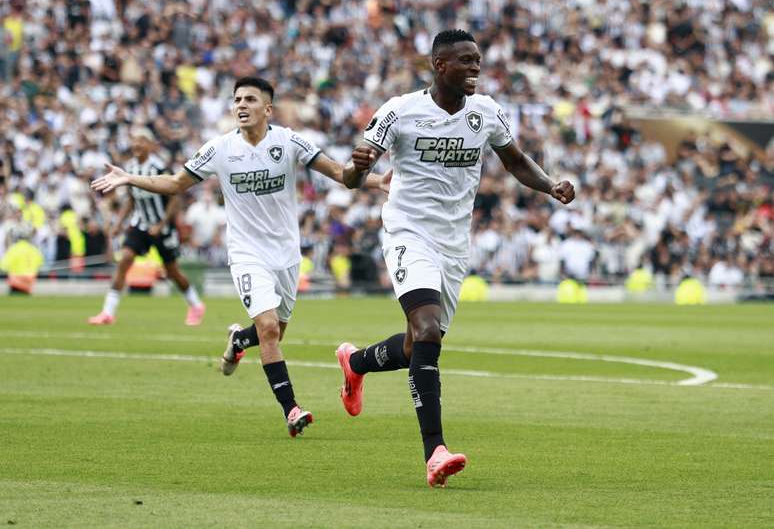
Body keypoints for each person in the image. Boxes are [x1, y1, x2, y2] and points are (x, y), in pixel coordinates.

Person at [337, 29, 576, 487]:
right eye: (466, 60)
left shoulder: (485, 112)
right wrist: (359, 167)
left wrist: (550, 185)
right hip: (408, 231)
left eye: (478, 60)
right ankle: (436, 453)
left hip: (453, 243)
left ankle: (357, 363)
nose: (475, 67)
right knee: (428, 332)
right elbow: (351, 177)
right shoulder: (399, 111)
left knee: (416, 345)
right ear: (439, 65)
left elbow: (516, 160)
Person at [91, 76, 390, 437]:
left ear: (268, 109)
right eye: (237, 100)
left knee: (275, 331)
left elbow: (342, 175)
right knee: (268, 330)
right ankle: (291, 410)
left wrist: (375, 181)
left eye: (250, 99)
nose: (241, 105)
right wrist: (129, 178)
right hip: (247, 253)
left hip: (286, 254)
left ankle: (237, 342)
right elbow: (174, 183)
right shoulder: (219, 149)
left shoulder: (289, 141)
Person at [88, 128, 206, 326]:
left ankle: (195, 305)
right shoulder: (130, 167)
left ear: (151, 145)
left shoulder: (159, 167)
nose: (137, 144)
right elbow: (132, 200)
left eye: (142, 140)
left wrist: (161, 224)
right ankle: (107, 312)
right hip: (140, 224)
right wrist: (118, 223)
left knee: (172, 272)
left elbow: (174, 199)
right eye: (134, 140)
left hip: (162, 227)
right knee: (125, 259)